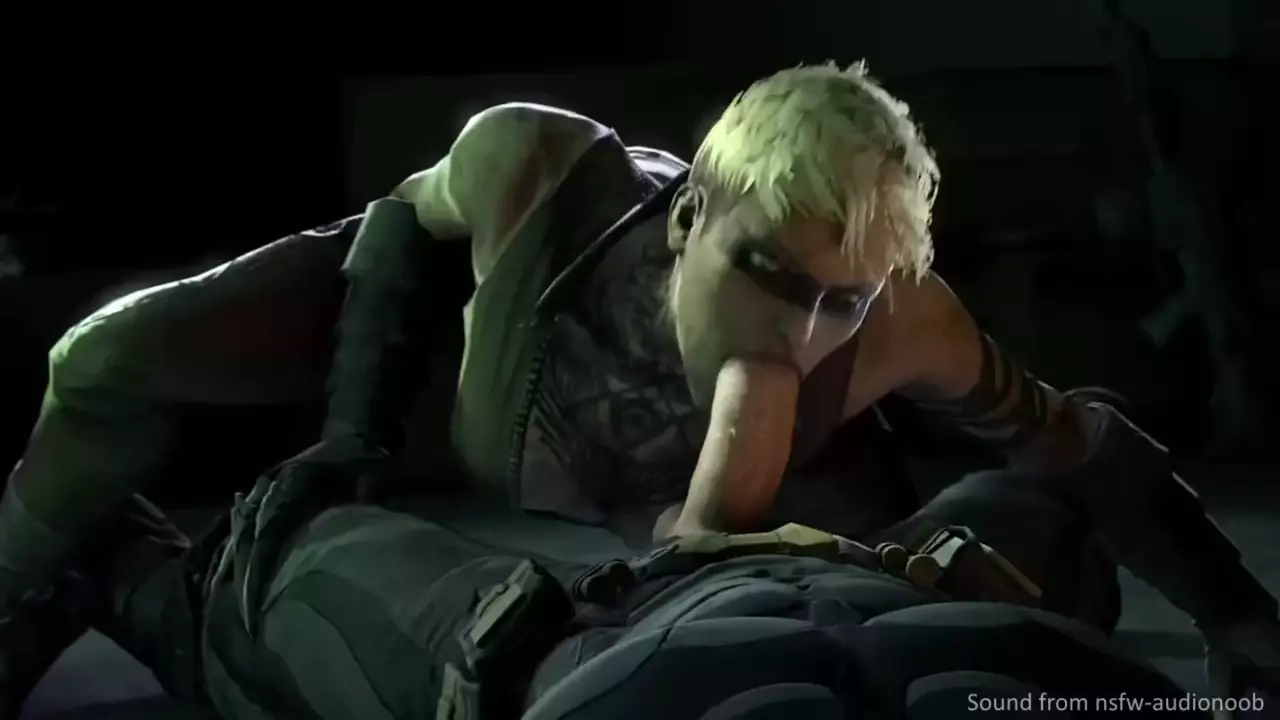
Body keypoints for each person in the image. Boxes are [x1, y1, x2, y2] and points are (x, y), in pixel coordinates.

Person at [0, 63, 1276, 716]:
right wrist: (351, 433)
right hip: (453, 339)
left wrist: (1238, 618)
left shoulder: (900, 321)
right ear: (688, 221)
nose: (803, 330)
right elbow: (399, 223)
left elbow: (1072, 440)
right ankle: (23, 590)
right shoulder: (540, 177)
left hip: (724, 542)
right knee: (96, 365)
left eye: (841, 299)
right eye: (769, 273)